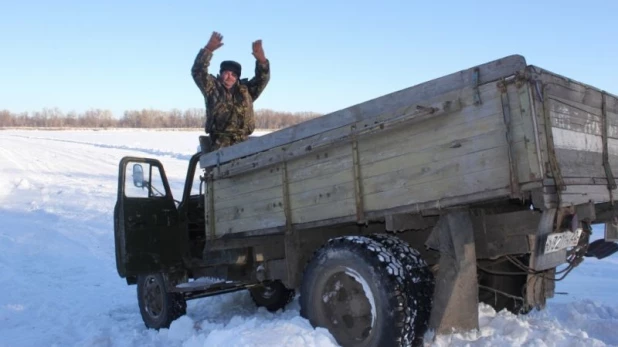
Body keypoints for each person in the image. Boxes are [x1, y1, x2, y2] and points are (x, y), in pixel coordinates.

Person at [191, 31, 270, 151]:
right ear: (221, 73)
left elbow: (262, 79)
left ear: (237, 77)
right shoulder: (211, 88)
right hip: (220, 146)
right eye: (226, 73)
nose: (230, 76)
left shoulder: (247, 91)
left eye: (233, 74)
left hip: (244, 144)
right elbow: (198, 71)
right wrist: (208, 50)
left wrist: (262, 61)